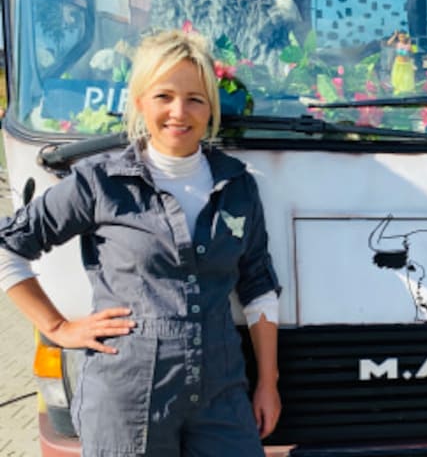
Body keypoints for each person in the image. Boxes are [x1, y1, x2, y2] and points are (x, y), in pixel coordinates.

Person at [0, 30, 281, 456]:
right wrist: (58, 328)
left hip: (221, 391)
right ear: (139, 102)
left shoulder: (237, 184)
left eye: (195, 99)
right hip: (126, 395)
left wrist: (267, 383)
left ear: (210, 110)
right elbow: (9, 247)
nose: (179, 112)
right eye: (164, 96)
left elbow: (258, 286)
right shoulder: (99, 182)